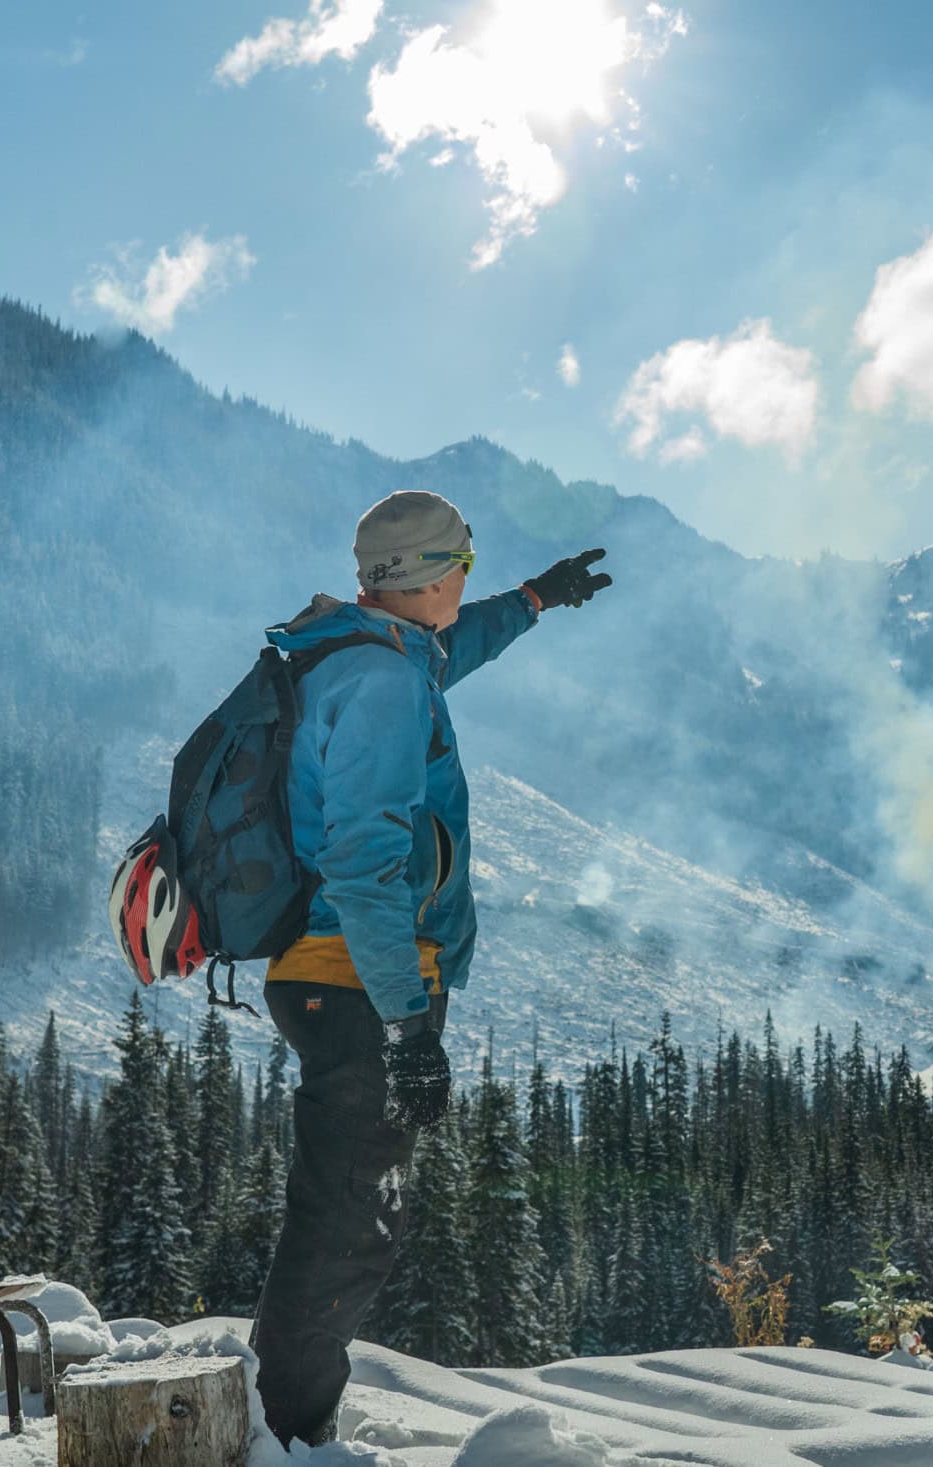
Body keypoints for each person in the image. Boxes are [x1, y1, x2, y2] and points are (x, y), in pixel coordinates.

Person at [249, 489, 611, 1447]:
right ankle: (281, 1432)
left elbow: (455, 647)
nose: (470, 582)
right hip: (360, 978)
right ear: (429, 576)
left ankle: (283, 1422)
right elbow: (366, 867)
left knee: (351, 1212)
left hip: (339, 973)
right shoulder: (381, 685)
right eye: (468, 566)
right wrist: (409, 1024)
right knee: (344, 1222)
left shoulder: (376, 654)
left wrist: (535, 600)